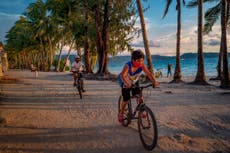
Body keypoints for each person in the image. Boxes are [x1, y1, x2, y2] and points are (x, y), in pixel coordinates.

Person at [117, 49, 159, 123]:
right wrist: (127, 83)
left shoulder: (142, 66)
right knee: (126, 99)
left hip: (134, 81)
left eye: (142, 61)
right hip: (125, 81)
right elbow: (123, 76)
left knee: (139, 96)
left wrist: (154, 81)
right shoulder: (127, 66)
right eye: (138, 61)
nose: (140, 63)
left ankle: (141, 110)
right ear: (133, 60)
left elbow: (149, 74)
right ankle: (121, 113)